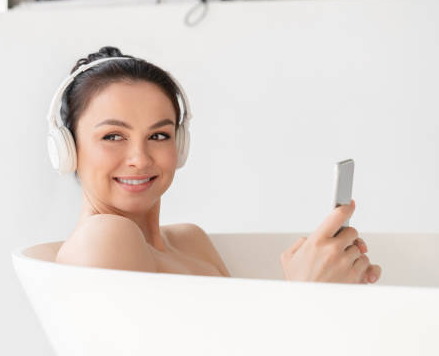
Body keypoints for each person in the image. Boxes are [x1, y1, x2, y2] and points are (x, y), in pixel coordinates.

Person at [52, 46, 382, 284]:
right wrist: (304, 290)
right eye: (113, 136)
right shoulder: (104, 237)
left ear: (180, 146)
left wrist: (332, 289)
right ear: (68, 148)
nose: (139, 158)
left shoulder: (191, 240)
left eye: (159, 135)